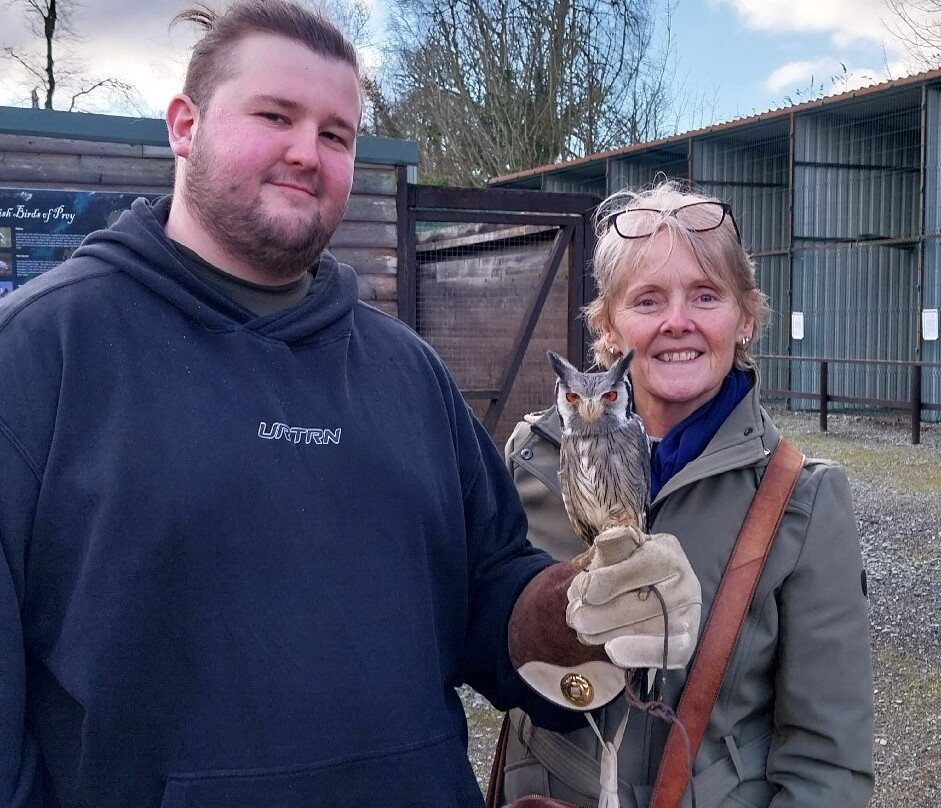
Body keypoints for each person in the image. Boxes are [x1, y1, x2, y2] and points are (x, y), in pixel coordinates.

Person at [0, 4, 701, 807]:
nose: (307, 151)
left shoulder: (407, 373)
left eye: (336, 133)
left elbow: (490, 595)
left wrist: (578, 612)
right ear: (185, 126)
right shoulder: (38, 358)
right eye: (275, 116)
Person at [500, 181, 875, 807]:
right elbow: (480, 652)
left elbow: (826, 761)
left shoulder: (800, 500)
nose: (679, 321)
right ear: (610, 325)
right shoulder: (533, 459)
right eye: (648, 300)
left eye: (706, 295)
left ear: (745, 317)